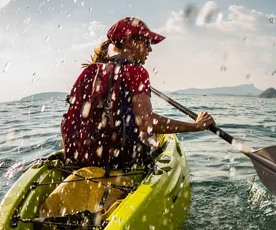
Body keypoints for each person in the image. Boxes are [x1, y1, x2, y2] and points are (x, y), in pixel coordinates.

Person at [61, 16, 215, 170]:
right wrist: (196, 126)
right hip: (118, 163)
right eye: (147, 42)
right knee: (147, 134)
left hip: (78, 159)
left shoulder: (90, 70)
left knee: (142, 133)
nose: (150, 49)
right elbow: (146, 122)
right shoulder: (136, 71)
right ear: (129, 41)